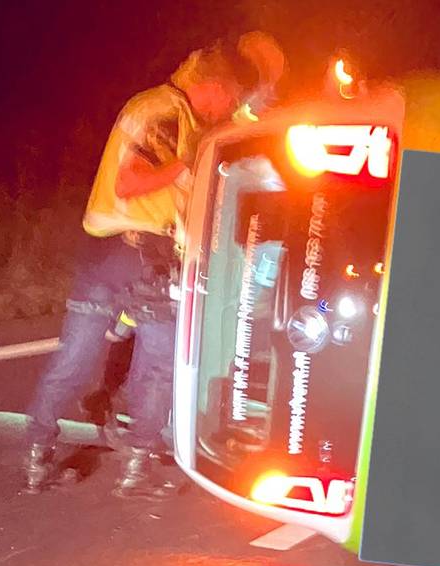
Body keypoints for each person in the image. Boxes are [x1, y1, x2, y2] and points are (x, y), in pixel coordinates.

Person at [21, 39, 264, 499]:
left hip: (103, 251)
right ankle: (137, 469)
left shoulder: (154, 106)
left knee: (74, 359)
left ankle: (37, 457)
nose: (228, 107)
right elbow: (130, 181)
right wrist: (184, 165)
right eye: (229, 97)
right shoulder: (168, 111)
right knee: (158, 363)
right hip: (142, 253)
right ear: (213, 86)